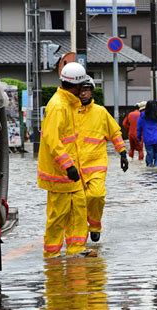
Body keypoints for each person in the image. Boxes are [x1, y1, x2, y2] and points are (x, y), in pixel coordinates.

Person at [37, 62, 95, 258]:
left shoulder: (69, 104)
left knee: (78, 211)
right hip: (59, 174)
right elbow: (52, 140)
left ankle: (76, 249)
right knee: (58, 215)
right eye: (82, 87)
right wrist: (67, 165)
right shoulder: (58, 106)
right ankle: (51, 254)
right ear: (76, 86)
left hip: (71, 174)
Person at [77, 76, 129, 242]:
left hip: (96, 164)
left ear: (92, 91)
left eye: (86, 90)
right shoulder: (68, 111)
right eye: (80, 90)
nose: (83, 94)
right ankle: (78, 231)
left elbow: (114, 132)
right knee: (77, 201)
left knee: (96, 196)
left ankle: (94, 225)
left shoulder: (100, 112)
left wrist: (122, 152)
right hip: (73, 165)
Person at [137, 100, 157, 168]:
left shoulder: (141, 117)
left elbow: (139, 128)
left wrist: (139, 138)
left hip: (147, 138)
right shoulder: (155, 115)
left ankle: (149, 167)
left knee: (149, 153)